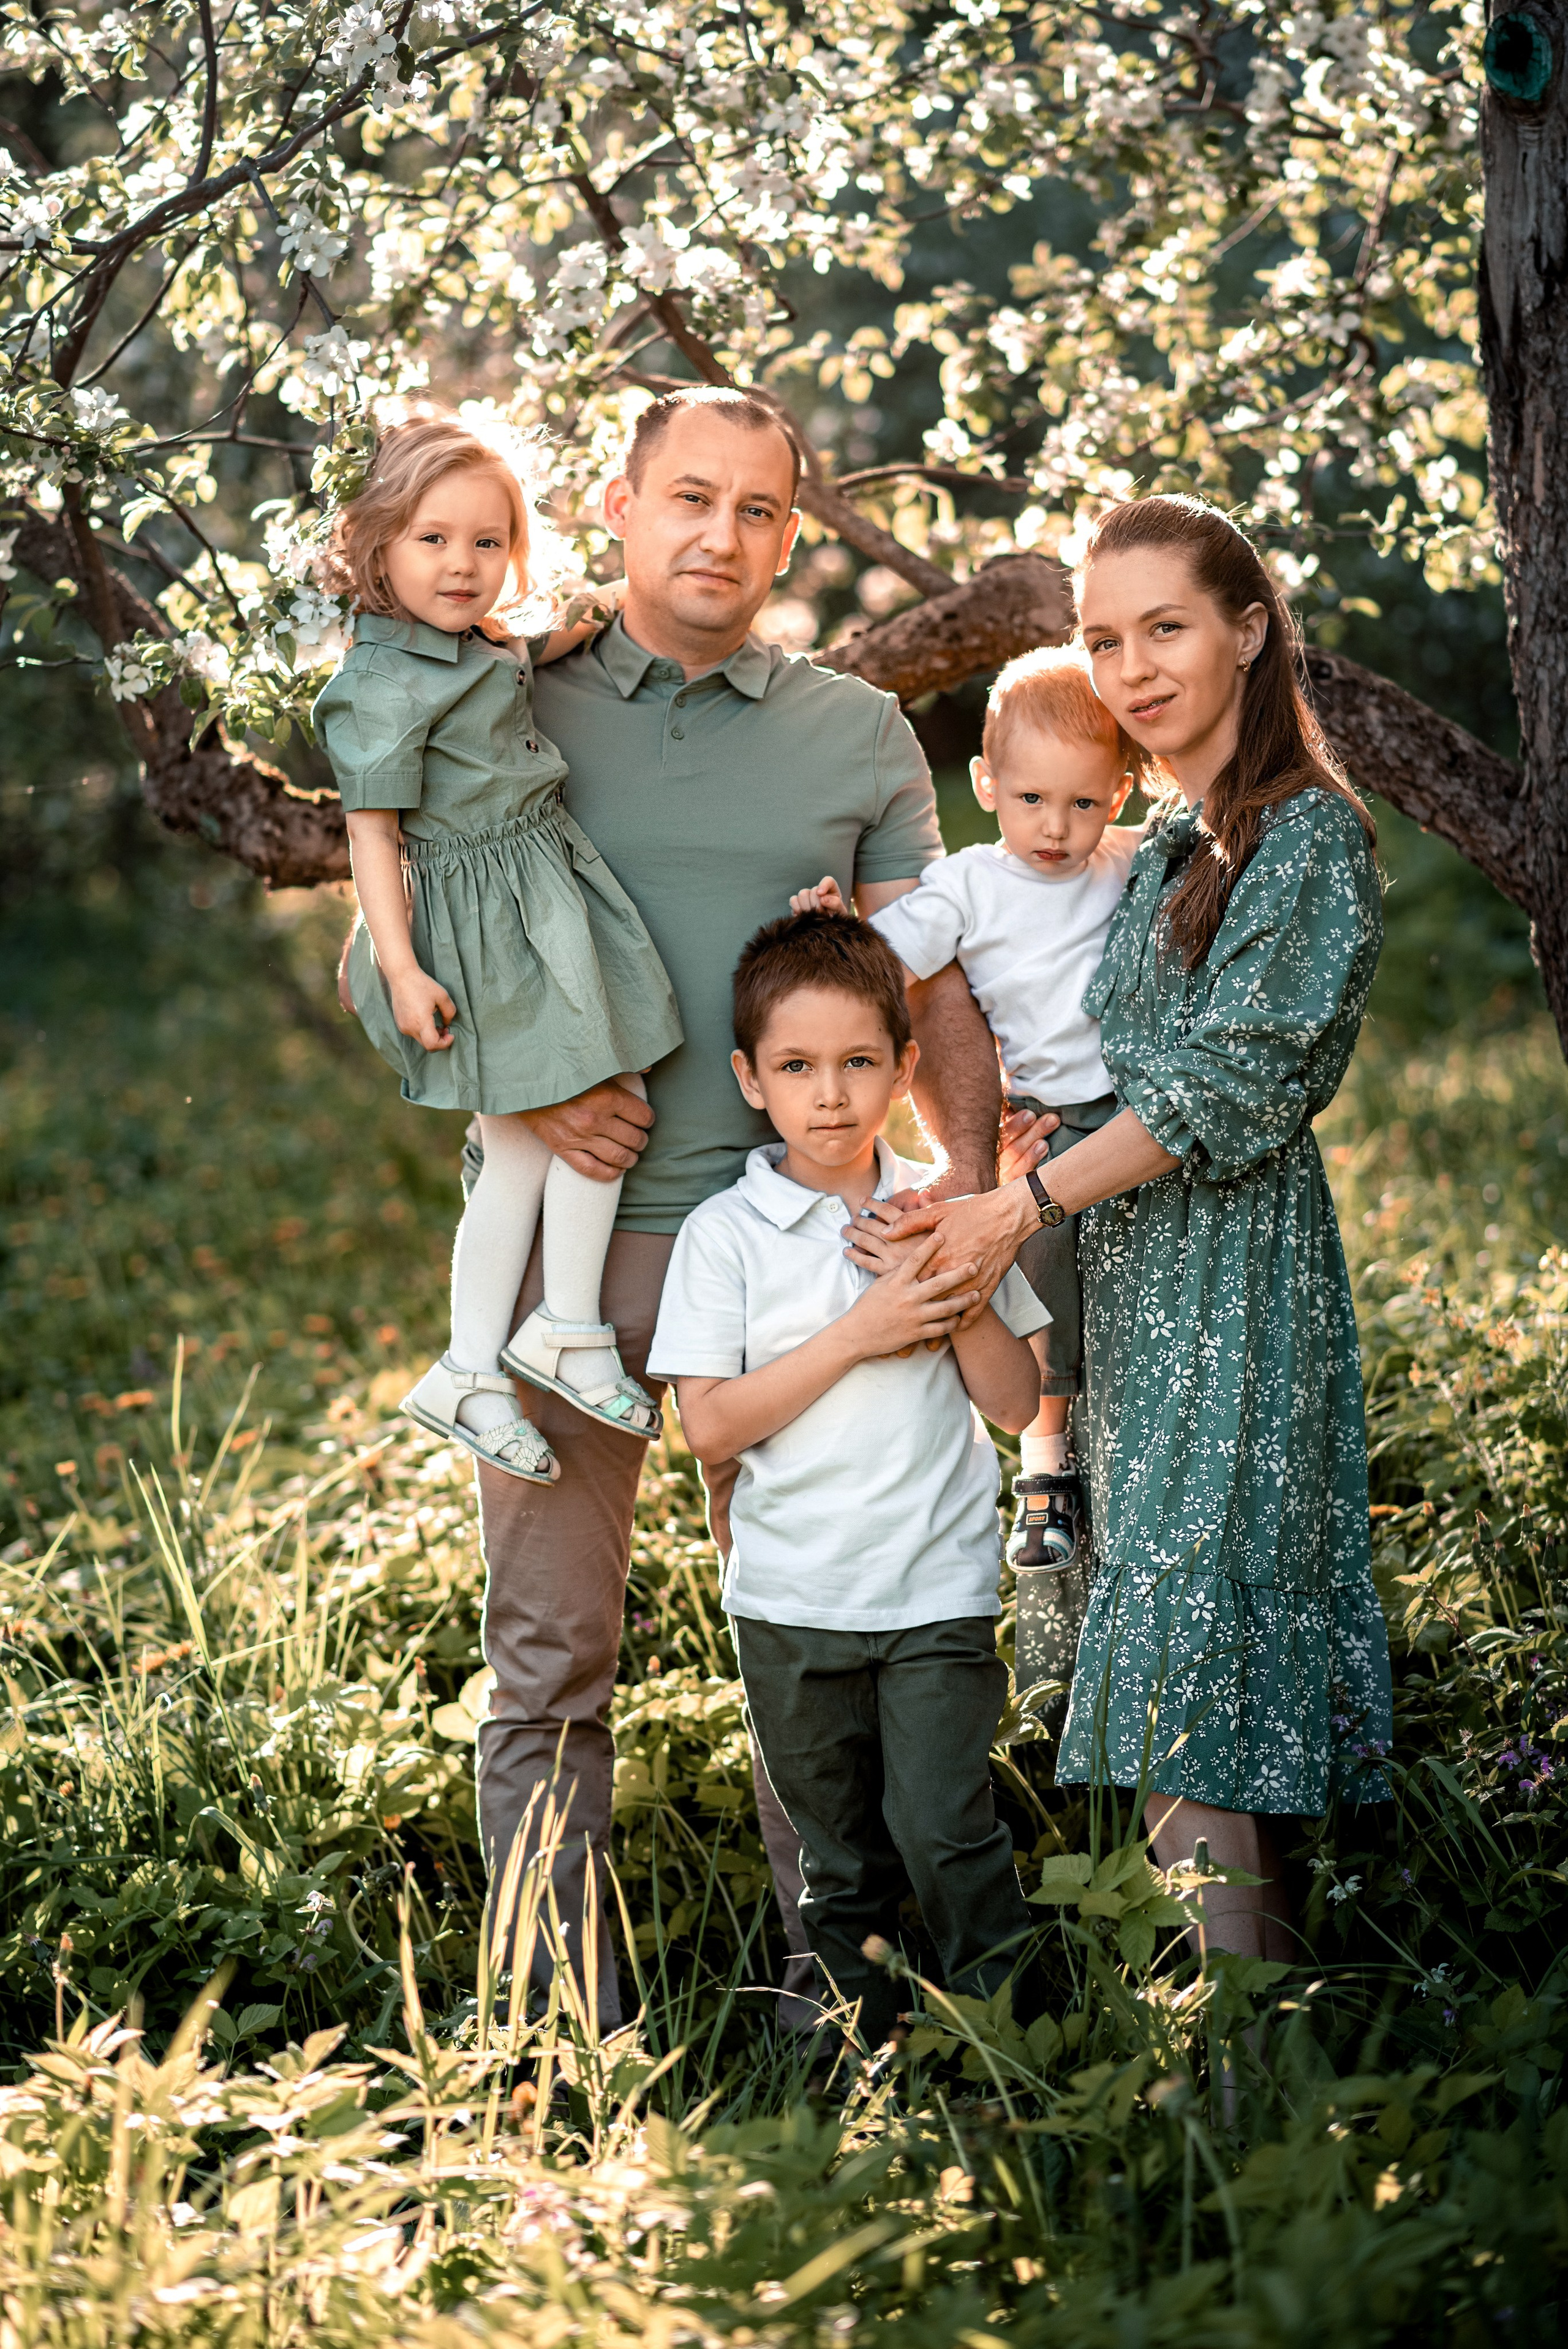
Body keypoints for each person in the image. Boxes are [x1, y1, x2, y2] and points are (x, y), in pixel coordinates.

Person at [450, 386, 999, 2024]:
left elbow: (939, 989)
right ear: (613, 505)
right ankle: (557, 2042)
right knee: (551, 1662)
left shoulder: (853, 733)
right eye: (691, 496)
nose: (724, 535)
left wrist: (971, 1204)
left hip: (805, 1263)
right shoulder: (502, 700)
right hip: (566, 1258)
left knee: (828, 1656)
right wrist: (526, 1081)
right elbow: (390, 960)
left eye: (763, 509)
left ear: (792, 534)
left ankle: (848, 2007)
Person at [848, 494, 1392, 1961]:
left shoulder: (1300, 839)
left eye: (1164, 627)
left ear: (1247, 628)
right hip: (1120, 1282)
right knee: (1154, 1644)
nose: (1133, 666)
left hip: (1230, 1283)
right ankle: (1234, 2039)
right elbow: (1045, 1017)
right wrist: (1007, 1141)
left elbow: (1225, 1083)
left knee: (1192, 1638)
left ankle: (1245, 2056)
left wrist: (1017, 1201)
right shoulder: (1152, 846)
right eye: (1102, 637)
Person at [647, 909, 1047, 2045]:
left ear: (905, 1067)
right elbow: (710, 1429)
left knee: (944, 1831)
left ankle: (1005, 2045)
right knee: (838, 1862)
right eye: (797, 1067)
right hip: (791, 1604)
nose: (831, 1095)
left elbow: (1017, 1406)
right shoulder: (726, 1235)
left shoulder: (947, 1212)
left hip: (937, 1592)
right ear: (750, 1078)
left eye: (859, 1063)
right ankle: (858, 2059)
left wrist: (946, 1276)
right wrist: (864, 1329)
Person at [317, 412, 682, 1489]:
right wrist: (399, 966)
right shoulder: (378, 684)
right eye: (433, 540)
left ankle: (483, 1362)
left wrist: (596, 616)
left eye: (487, 541)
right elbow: (371, 833)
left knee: (537, 1141)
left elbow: (523, 655)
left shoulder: (474, 646)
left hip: (532, 895)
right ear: (378, 541)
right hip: (479, 926)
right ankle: (545, 1333)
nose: (463, 564)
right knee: (578, 1109)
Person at [794, 646, 1143, 1585]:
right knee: (1038, 1279)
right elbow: (883, 967)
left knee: (1130, 1295)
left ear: (1120, 792)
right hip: (1038, 1116)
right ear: (986, 784)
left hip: (1138, 1113)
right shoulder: (968, 887)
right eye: (1032, 799)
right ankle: (1043, 1472)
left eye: (1084, 803)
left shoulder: (1129, 864)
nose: (1056, 828)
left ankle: (1125, 1447)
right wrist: (838, 924)